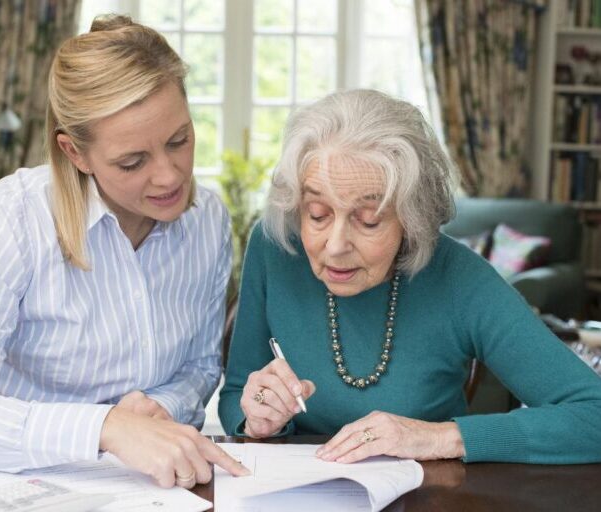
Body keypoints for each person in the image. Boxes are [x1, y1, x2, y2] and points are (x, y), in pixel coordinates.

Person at [0, 14, 249, 487]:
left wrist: (159, 411)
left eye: (180, 141)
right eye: (132, 161)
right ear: (74, 153)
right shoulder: (11, 219)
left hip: (153, 486)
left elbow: (199, 367)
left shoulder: (207, 220)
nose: (170, 176)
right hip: (20, 484)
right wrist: (106, 427)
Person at [219, 89, 601, 464]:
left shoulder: (459, 277)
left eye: (368, 221)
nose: (335, 246)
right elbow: (236, 394)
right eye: (317, 213)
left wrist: (438, 438)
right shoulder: (275, 247)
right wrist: (257, 418)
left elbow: (593, 415)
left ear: (412, 219)